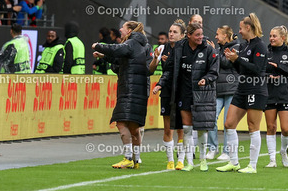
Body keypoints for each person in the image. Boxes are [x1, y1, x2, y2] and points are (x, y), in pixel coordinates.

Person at [156, 22, 218, 172]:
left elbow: (214, 70)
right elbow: (169, 69)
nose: (201, 37)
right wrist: (160, 84)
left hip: (202, 93)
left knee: (201, 129)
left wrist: (206, 79)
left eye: (201, 34)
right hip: (184, 92)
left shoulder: (208, 49)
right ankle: (189, 162)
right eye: (197, 35)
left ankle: (203, 160)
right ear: (189, 35)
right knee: (187, 128)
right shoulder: (179, 48)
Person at [93, 21, 152, 169]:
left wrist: (98, 46)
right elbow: (119, 60)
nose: (120, 29)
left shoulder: (131, 43)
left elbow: (116, 50)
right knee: (134, 127)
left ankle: (128, 158)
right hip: (138, 89)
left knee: (121, 123)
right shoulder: (141, 44)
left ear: (130, 31)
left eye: (123, 27)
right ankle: (136, 160)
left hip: (129, 89)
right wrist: (103, 56)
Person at [217, 13, 268, 174]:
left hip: (256, 89)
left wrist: (237, 59)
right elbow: (242, 69)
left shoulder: (260, 46)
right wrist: (233, 60)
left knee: (253, 127)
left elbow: (257, 69)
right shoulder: (244, 46)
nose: (238, 32)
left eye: (240, 28)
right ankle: (233, 162)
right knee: (229, 124)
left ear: (248, 27)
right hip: (242, 89)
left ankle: (252, 165)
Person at [151, 20, 187, 169]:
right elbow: (151, 69)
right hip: (167, 91)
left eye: (175, 32)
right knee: (168, 128)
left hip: (182, 91)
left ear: (182, 35)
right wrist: (155, 58)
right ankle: (170, 161)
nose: (171, 34)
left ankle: (181, 160)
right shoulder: (162, 48)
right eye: (170, 31)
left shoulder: (186, 49)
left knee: (181, 128)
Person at [264, 25, 288, 168]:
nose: (271, 38)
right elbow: (259, 71)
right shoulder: (266, 52)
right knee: (270, 127)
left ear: (283, 38)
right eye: (270, 36)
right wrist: (269, 76)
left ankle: (283, 151)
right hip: (269, 93)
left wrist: (278, 67)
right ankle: (272, 159)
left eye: (274, 36)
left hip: (285, 93)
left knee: (285, 129)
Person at [207, 25, 240, 162]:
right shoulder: (220, 49)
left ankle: (227, 151)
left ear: (225, 35)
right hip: (218, 89)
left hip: (231, 89)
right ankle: (212, 148)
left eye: (218, 34)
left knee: (228, 122)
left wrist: (214, 52)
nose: (215, 36)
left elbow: (227, 62)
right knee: (211, 118)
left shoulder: (236, 47)